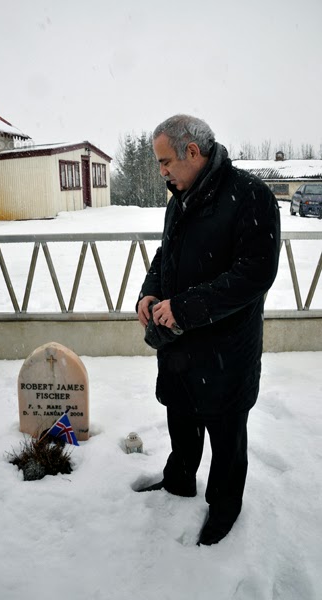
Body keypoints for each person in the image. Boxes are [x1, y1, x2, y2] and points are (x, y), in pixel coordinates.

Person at [136, 114, 281, 546]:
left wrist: (185, 308)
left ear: (192, 153)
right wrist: (150, 293)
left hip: (226, 346)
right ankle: (179, 478)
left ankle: (224, 505)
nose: (161, 171)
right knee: (180, 416)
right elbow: (166, 254)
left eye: (165, 162)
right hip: (179, 341)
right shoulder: (178, 197)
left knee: (226, 434)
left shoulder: (250, 196)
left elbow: (255, 273)